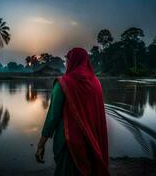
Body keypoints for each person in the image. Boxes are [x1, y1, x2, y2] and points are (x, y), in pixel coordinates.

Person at [35, 48, 109, 176]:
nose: (67, 63)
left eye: (67, 60)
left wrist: (41, 144)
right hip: (91, 141)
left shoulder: (63, 84)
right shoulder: (96, 83)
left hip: (68, 142)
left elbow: (53, 117)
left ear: (72, 62)